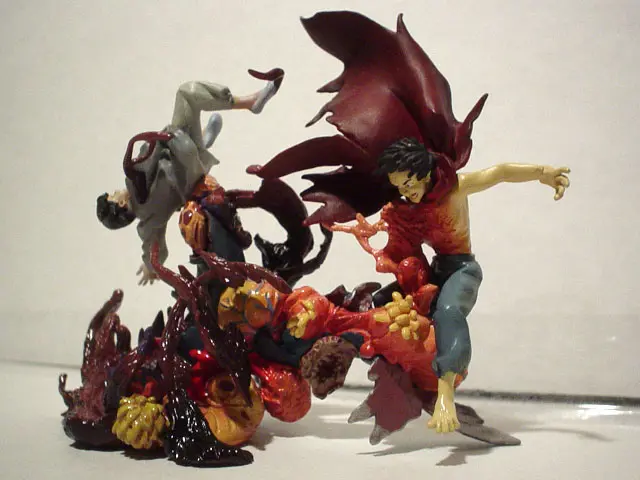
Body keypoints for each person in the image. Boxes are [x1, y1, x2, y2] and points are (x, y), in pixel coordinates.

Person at [96, 71, 283, 286]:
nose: (116, 191)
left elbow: (156, 253)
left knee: (186, 108)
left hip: (188, 163)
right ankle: (241, 108)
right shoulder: (134, 180)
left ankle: (212, 133)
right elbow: (152, 147)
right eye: (113, 195)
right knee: (186, 94)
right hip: (185, 157)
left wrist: (149, 268)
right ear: (119, 203)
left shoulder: (148, 226)